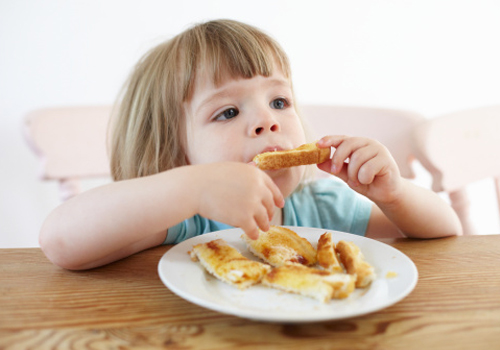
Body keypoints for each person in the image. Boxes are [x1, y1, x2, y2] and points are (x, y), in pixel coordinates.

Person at [39, 19, 461, 270]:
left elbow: (446, 230)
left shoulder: (324, 206)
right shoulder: (188, 218)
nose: (266, 120)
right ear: (177, 153)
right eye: (227, 112)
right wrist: (192, 188)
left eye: (279, 101)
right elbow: (60, 242)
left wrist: (395, 194)